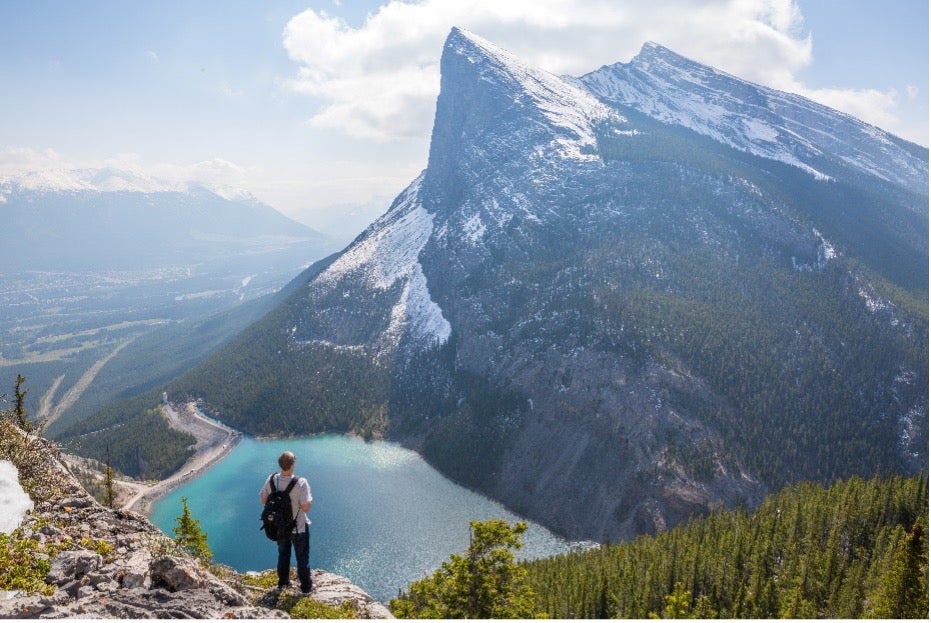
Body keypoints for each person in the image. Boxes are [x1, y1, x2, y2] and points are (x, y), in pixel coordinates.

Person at [259, 451, 313, 592]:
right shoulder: (301, 483)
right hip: (298, 528)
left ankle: (283, 583)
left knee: (283, 554)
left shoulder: (271, 480)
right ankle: (306, 589)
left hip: (280, 527)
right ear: (292, 464)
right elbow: (306, 507)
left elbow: (263, 500)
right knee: (302, 558)